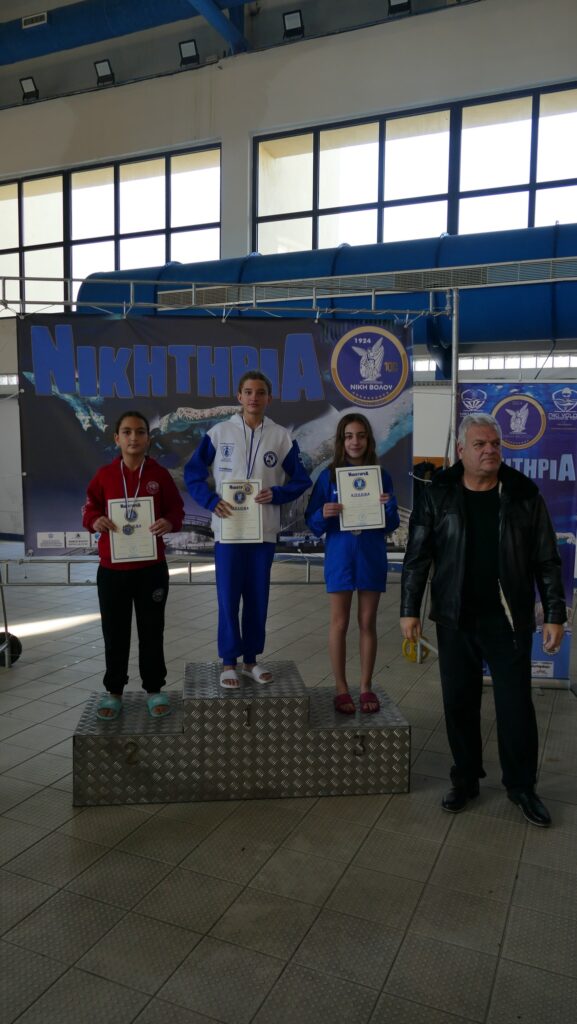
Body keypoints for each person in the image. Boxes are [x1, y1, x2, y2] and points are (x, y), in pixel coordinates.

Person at [400, 412, 566, 827]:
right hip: (455, 617)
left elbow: (547, 559)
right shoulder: (437, 493)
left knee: (515, 707)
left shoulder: (524, 494)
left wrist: (555, 614)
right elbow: (417, 557)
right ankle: (466, 779)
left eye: (495, 444)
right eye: (480, 444)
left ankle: (522, 786)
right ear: (461, 450)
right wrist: (409, 610)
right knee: (459, 702)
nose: (490, 450)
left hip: (509, 621)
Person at [184, 371, 311, 689]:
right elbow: (193, 473)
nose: (254, 397)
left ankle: (251, 659)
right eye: (249, 392)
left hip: (262, 531)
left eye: (261, 392)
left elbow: (301, 479)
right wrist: (210, 500)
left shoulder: (281, 437)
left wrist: (278, 494)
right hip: (228, 531)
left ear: (269, 398)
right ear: (239, 396)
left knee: (257, 597)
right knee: (228, 597)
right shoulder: (219, 433)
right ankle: (228, 661)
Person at [83, 411, 184, 720]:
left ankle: (154, 689)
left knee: (152, 630)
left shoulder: (159, 475)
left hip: (151, 568)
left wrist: (169, 522)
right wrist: (95, 520)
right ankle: (114, 690)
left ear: (148, 439)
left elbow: (176, 509)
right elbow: (89, 508)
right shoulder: (104, 475)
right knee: (114, 632)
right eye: (126, 432)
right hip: (112, 569)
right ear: (117, 438)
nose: (133, 437)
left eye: (140, 432)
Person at [305, 413, 400, 714]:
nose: (355, 441)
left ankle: (366, 686)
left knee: (367, 622)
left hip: (371, 554)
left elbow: (391, 524)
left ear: (368, 440)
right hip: (341, 555)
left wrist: (389, 507)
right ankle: (341, 688)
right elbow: (312, 523)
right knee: (340, 623)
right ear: (341, 441)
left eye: (360, 435)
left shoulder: (380, 475)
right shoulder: (328, 477)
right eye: (349, 436)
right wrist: (324, 513)